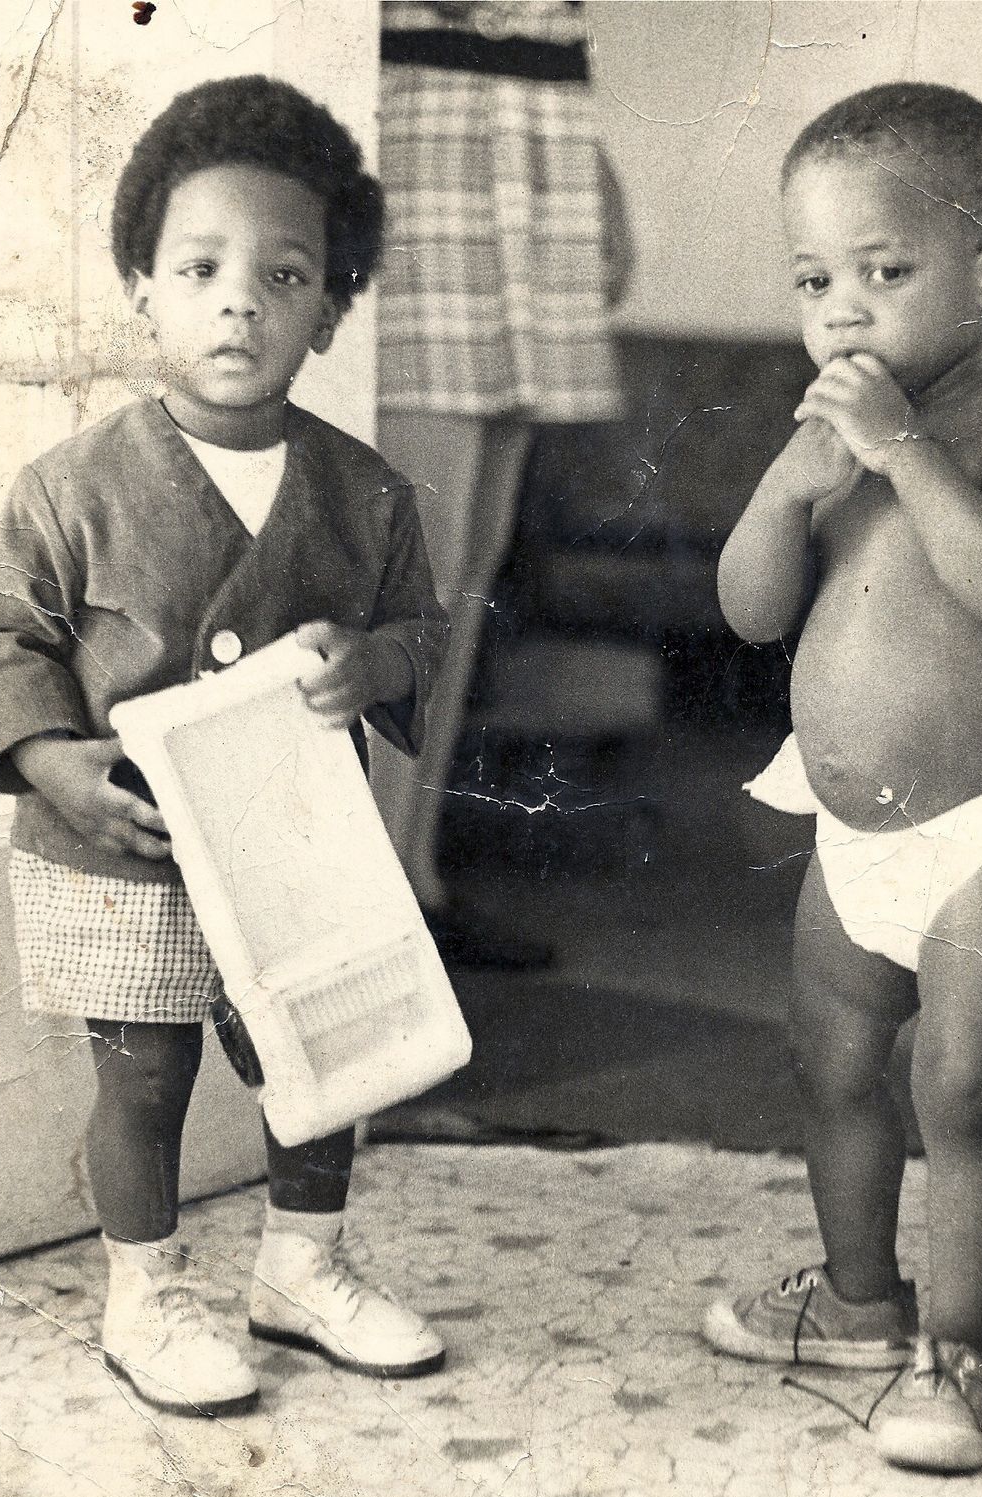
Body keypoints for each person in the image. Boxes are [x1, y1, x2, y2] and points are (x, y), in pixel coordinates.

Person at [0, 76, 450, 1416]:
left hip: (297, 847)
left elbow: (423, 635)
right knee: (147, 1068)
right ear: (142, 289)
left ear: (331, 306)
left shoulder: (368, 491)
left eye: (284, 275)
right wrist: (54, 762)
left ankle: (303, 1263)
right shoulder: (72, 486)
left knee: (325, 1056)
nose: (240, 301)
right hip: (123, 850)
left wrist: (377, 661)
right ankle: (144, 1291)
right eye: (202, 267)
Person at [702, 83, 982, 1473]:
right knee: (831, 1069)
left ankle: (961, 1346)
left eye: (887, 272)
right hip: (847, 842)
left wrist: (899, 451)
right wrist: (785, 492)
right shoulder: (824, 435)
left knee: (967, 1095)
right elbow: (754, 611)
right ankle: (862, 1299)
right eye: (816, 279)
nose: (846, 311)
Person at [369, 0, 631, 968]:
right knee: (412, 577)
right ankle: (370, 902)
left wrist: (591, 175)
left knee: (471, 569)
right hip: (421, 160)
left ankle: (415, 874)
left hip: (531, 164)